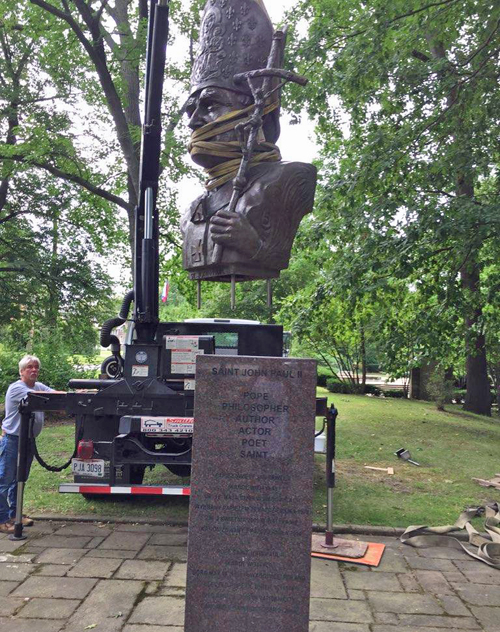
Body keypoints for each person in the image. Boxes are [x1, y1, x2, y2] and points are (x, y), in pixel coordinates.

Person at [181, 0, 317, 284]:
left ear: (250, 109)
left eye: (210, 105)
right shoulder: (193, 208)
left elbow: (278, 254)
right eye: (190, 110)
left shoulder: (288, 178)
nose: (194, 121)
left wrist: (254, 245)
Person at [0, 355, 53, 534]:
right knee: (4, 480)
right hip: (13, 440)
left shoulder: (38, 386)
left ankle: (16, 514)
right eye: (29, 367)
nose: (34, 370)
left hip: (28, 440)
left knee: (20, 479)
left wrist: (76, 395)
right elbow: (43, 399)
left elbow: (54, 395)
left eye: (36, 367)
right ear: (21, 371)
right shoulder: (17, 388)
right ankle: (2, 519)